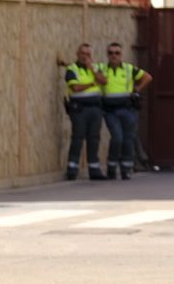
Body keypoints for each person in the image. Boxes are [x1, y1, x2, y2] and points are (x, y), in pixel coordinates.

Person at [98, 42, 152, 180]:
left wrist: (136, 90)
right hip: (110, 110)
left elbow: (147, 77)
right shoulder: (101, 68)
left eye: (117, 53)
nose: (113, 56)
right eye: (110, 53)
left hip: (127, 109)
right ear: (107, 55)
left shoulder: (128, 69)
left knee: (128, 139)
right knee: (117, 138)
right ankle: (111, 167)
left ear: (121, 55)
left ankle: (126, 169)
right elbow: (88, 70)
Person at [62, 43, 108, 181]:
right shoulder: (72, 69)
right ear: (77, 54)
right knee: (78, 137)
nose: (85, 56)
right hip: (79, 109)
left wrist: (92, 70)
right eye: (82, 53)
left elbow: (104, 81)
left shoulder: (96, 68)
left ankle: (94, 170)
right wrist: (92, 84)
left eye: (88, 54)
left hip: (95, 108)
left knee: (94, 139)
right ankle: (72, 169)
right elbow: (75, 87)